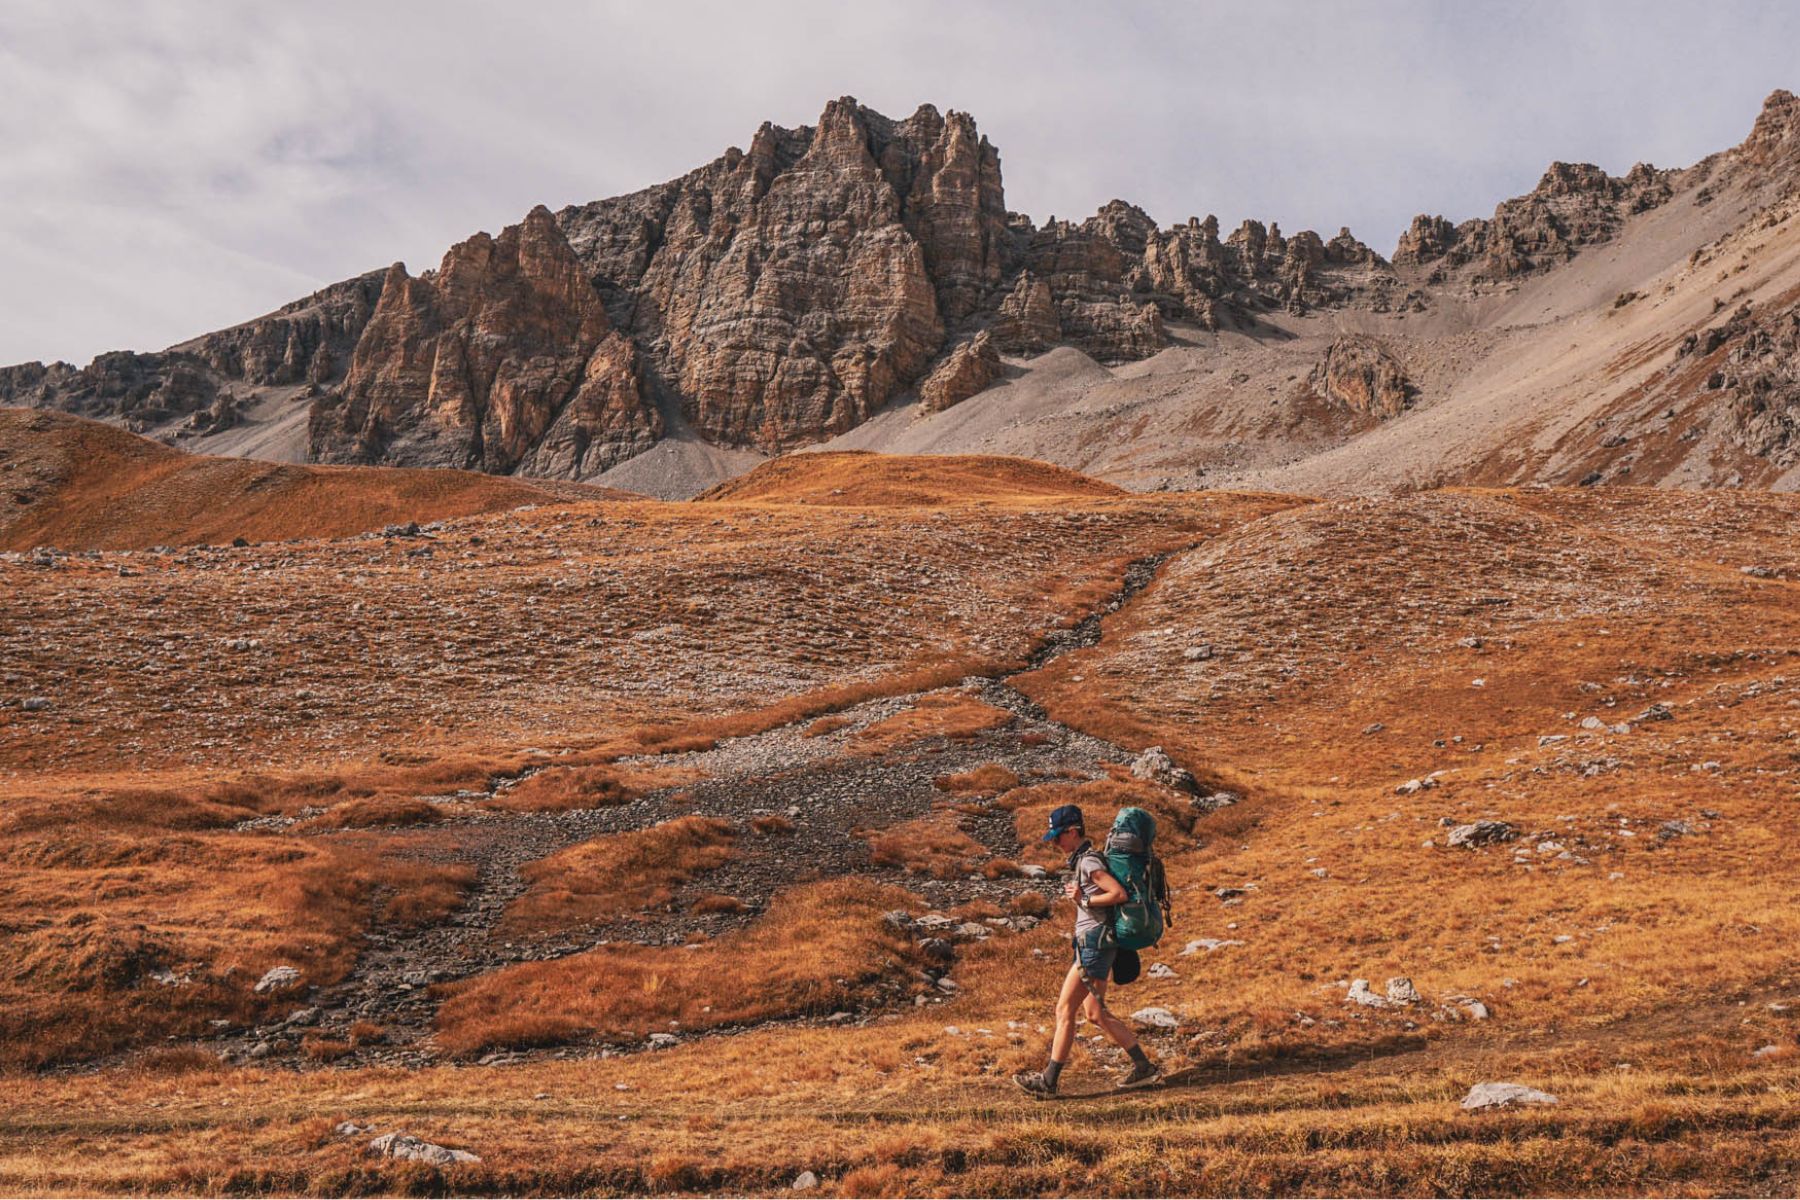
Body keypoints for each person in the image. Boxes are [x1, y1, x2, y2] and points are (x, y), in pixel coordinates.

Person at [1013, 803, 1160, 1096]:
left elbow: (1118, 894)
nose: (1055, 843)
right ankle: (1144, 1068)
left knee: (1064, 1009)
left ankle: (1048, 1082)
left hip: (1094, 944)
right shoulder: (1086, 861)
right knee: (1095, 1013)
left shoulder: (1089, 862)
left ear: (1073, 831)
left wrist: (1084, 900)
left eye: (1058, 836)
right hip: (1097, 943)